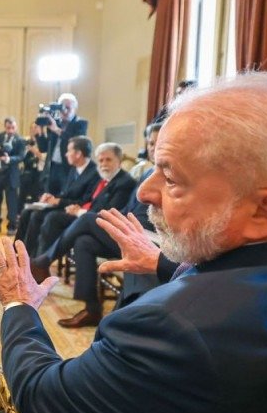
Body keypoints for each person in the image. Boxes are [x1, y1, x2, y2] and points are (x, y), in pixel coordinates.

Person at [0, 72, 267, 413]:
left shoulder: (170, 325)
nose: (144, 193)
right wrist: (161, 264)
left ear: (266, 210)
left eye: (171, 178)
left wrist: (19, 304)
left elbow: (38, 397)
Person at [28, 124, 166, 327]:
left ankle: (43, 261)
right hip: (129, 231)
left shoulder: (168, 176)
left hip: (148, 239)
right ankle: (92, 309)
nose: (153, 147)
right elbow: (128, 209)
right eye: (151, 143)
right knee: (84, 242)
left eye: (159, 143)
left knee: (85, 220)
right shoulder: (148, 174)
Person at [31, 142, 136, 262]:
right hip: (87, 215)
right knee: (45, 216)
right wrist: (75, 207)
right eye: (100, 161)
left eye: (108, 160)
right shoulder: (104, 179)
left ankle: (41, 262)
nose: (104, 164)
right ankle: (36, 260)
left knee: (53, 218)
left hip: (99, 224)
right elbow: (88, 199)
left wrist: (79, 212)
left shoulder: (125, 182)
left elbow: (109, 212)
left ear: (119, 161)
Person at [14, 136, 99, 257]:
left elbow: (85, 201)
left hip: (77, 210)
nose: (66, 154)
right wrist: (51, 197)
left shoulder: (94, 173)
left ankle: (33, 258)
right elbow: (66, 193)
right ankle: (17, 252)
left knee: (37, 215)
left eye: (69, 150)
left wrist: (58, 201)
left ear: (78, 154)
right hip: (65, 205)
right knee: (27, 212)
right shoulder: (74, 169)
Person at [36, 93, 88, 195]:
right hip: (52, 168)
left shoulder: (80, 123)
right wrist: (41, 131)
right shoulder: (55, 123)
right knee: (49, 198)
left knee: (66, 198)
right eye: (62, 108)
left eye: (68, 108)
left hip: (68, 168)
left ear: (75, 108)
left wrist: (56, 130)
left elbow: (77, 143)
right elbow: (43, 148)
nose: (65, 111)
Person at [0, 117, 26, 235]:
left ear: (16, 127)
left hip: (11, 175)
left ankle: (12, 226)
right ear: (5, 127)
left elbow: (21, 156)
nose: (10, 130)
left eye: (13, 128)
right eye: (8, 128)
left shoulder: (20, 140)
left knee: (12, 202)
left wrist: (8, 159)